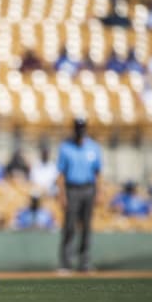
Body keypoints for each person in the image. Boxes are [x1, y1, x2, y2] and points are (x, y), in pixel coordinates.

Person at [56, 117, 103, 272]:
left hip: (88, 188)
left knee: (86, 226)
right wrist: (62, 195)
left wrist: (99, 192)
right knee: (69, 226)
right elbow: (61, 174)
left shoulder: (93, 147)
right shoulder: (66, 147)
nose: (80, 131)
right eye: (77, 128)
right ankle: (66, 263)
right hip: (72, 189)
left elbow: (98, 173)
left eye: (82, 128)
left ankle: (84, 262)